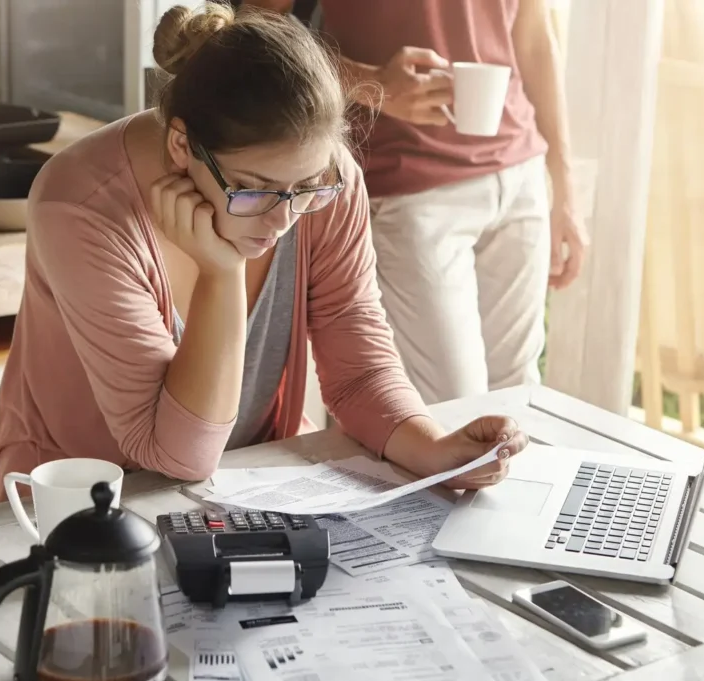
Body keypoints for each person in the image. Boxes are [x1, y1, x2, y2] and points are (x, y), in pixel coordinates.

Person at [0, 3, 529, 507]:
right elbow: (174, 456)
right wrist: (222, 270)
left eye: (308, 186)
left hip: (242, 492)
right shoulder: (82, 206)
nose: (285, 217)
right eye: (254, 188)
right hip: (72, 510)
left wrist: (431, 447)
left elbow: (356, 364)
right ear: (181, 146)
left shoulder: (328, 184)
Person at [245, 0, 588, 405]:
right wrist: (371, 83)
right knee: (453, 405)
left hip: (519, 176)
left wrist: (564, 184)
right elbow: (256, 29)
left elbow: (533, 36)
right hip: (411, 190)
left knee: (520, 393)